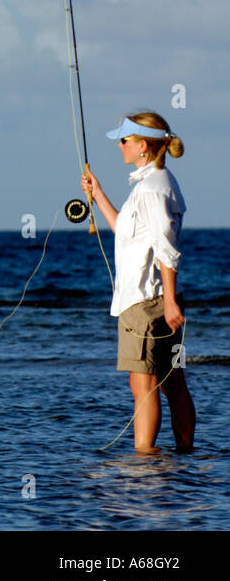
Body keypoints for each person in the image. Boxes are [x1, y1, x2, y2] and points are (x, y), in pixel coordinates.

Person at [81, 111, 195, 453]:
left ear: (143, 146)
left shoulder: (151, 188)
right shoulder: (155, 183)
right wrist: (98, 193)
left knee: (143, 385)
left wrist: (170, 300)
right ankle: (182, 457)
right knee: (172, 381)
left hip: (147, 303)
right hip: (154, 300)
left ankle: (145, 463)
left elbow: (165, 247)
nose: (119, 145)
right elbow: (126, 230)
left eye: (125, 140)